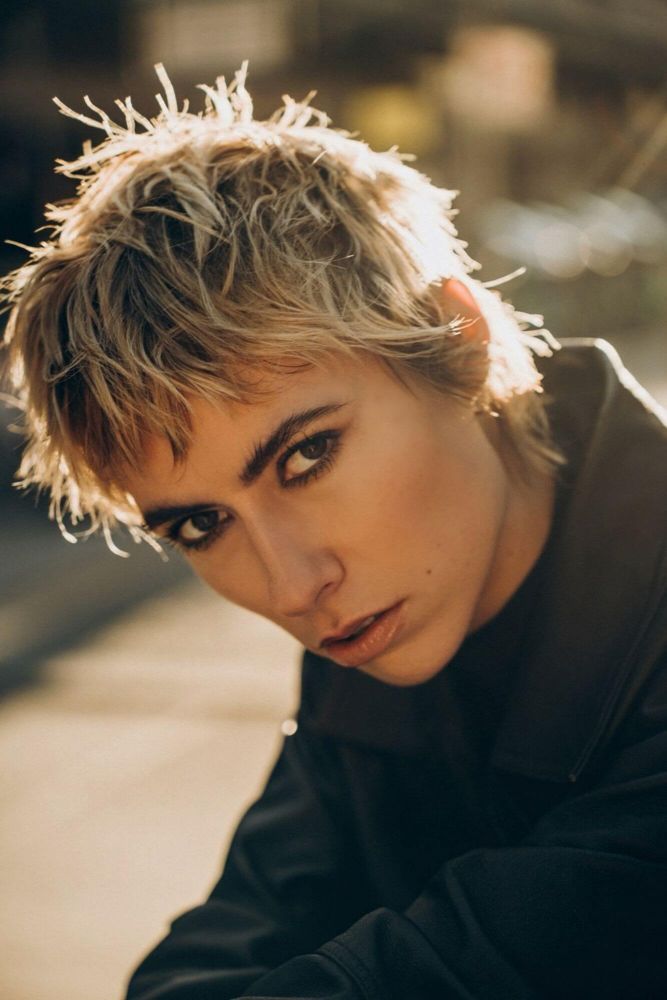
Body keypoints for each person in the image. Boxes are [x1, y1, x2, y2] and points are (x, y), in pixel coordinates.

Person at [2, 66, 667, 1000]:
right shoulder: (377, 641)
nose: (289, 585)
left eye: (306, 456)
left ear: (457, 337)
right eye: (201, 524)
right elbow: (224, 945)